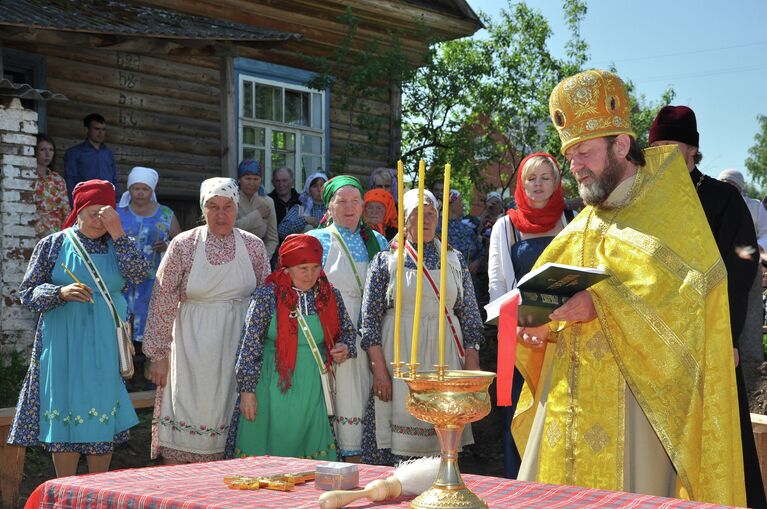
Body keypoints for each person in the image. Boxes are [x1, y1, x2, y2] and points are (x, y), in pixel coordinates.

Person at [512, 70, 745, 505]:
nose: (574, 165)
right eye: (570, 155)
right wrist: (537, 326)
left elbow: (692, 299)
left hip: (640, 416)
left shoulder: (670, 211)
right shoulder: (580, 224)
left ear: (621, 145)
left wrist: (601, 304)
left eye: (584, 152)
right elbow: (541, 299)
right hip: (568, 411)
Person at [649, 106, 765, 509]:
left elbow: (745, 260)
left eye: (672, 145)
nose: (663, 153)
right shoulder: (641, 200)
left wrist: (725, 333)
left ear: (692, 149)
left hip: (709, 340)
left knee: (719, 439)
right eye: (657, 146)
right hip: (652, 343)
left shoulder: (722, 198)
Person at [7, 179, 148, 477]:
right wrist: (60, 293)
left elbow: (138, 274)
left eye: (106, 213)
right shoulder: (54, 244)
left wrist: (119, 232)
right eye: (94, 212)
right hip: (62, 342)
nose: (100, 220)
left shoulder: (120, 244)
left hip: (105, 341)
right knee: (65, 408)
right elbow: (27, 292)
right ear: (79, 210)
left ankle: (96, 491)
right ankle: (65, 489)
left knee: (100, 408)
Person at [143, 177, 270, 464]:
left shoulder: (253, 246)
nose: (221, 214)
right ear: (203, 208)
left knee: (230, 412)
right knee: (190, 409)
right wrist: (158, 354)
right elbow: (162, 300)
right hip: (191, 344)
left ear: (237, 209)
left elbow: (265, 300)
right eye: (213, 207)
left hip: (238, 344)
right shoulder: (184, 245)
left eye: (228, 207)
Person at [359, 188, 484, 465]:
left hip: (445, 356)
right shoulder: (385, 261)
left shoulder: (454, 259)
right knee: (396, 438)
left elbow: (470, 315)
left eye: (431, 214)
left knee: (443, 435)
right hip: (400, 356)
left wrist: (472, 361)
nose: (426, 220)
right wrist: (379, 370)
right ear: (405, 219)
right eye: (418, 214)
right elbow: (368, 321)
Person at [230, 234, 357, 460]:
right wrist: (247, 391)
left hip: (311, 383)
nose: (311, 275)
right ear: (287, 268)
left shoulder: (329, 295)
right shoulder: (268, 296)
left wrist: (344, 346)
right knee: (268, 445)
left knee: (311, 443)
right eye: (303, 268)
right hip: (271, 381)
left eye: (316, 267)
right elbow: (249, 344)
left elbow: (347, 332)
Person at [487, 153, 572, 479]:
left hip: (563, 335)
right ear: (521, 184)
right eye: (531, 179)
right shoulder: (504, 226)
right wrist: (522, 323)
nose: (538, 185)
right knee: (516, 421)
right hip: (517, 337)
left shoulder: (572, 220)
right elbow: (498, 288)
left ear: (556, 183)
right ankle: (517, 490)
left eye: (545, 178)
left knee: (559, 417)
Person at [307, 176, 389, 461]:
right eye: (341, 201)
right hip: (334, 328)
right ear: (329, 205)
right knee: (343, 395)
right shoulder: (317, 240)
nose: (349, 207)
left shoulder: (377, 241)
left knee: (371, 390)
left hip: (374, 329)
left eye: (355, 201)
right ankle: (344, 458)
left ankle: (372, 460)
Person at [116, 167, 181, 388]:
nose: (140, 193)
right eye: (136, 188)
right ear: (130, 189)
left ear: (151, 190)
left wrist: (167, 246)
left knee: (151, 326)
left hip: (154, 282)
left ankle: (151, 380)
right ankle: (124, 377)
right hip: (122, 281)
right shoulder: (118, 212)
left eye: (144, 189)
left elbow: (181, 244)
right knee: (122, 326)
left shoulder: (165, 214)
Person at [64, 113, 118, 205]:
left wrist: (116, 202)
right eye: (96, 129)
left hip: (107, 202)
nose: (100, 133)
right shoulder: (75, 153)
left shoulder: (108, 154)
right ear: (87, 129)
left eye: (103, 129)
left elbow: (114, 180)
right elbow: (70, 181)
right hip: (85, 202)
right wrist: (74, 206)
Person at [234, 159, 278, 259]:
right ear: (240, 179)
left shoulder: (267, 202)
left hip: (259, 256)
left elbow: (272, 239)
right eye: (248, 178)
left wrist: (263, 259)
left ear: (260, 180)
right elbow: (232, 229)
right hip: (234, 254)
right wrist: (257, 215)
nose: (251, 183)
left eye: (255, 179)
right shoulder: (232, 200)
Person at [718, 168, 767, 251]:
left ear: (739, 188)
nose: (724, 188)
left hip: (748, 259)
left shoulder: (756, 207)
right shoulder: (712, 205)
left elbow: (765, 233)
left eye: (730, 184)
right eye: (721, 184)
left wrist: (755, 249)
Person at [33, 133, 70, 237]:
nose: (47, 154)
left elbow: (66, 210)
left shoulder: (58, 180)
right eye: (43, 150)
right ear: (35, 151)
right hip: (33, 232)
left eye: (51, 150)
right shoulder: (28, 177)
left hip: (56, 232)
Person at [437, 189, 481, 274]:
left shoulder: (467, 228)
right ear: (450, 203)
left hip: (470, 279)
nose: (463, 204)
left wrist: (477, 262)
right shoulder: (438, 227)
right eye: (460, 201)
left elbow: (480, 251)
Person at [278, 173, 328, 239]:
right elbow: (282, 231)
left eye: (322, 186)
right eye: (315, 186)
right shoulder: (299, 209)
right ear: (308, 190)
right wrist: (305, 220)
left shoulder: (333, 209)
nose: (319, 189)